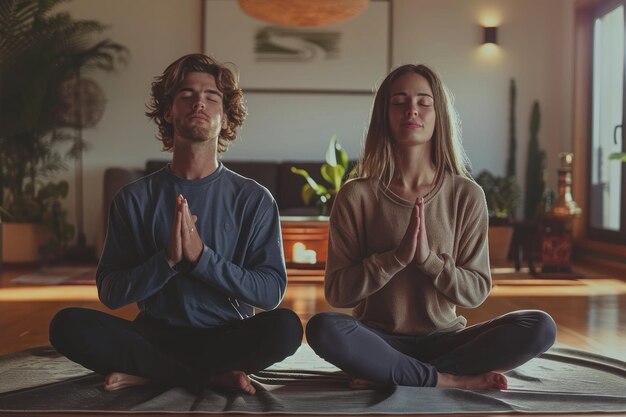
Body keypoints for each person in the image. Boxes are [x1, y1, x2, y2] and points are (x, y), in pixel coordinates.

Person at [49, 54, 303, 395]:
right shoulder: (133, 198)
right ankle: (206, 377)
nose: (199, 102)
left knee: (286, 327)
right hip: (154, 337)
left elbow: (270, 293)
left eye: (212, 97)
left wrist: (201, 259)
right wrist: (167, 260)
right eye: (186, 94)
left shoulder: (254, 199)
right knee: (66, 325)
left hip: (227, 337)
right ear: (168, 112)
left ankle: (154, 376)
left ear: (225, 116)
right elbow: (110, 292)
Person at [306, 64, 556, 390]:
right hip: (377, 338)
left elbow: (476, 290)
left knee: (539, 326)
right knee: (323, 327)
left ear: (439, 115)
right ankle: (446, 379)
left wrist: (429, 261)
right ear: (385, 114)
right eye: (399, 101)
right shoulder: (356, 196)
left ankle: (394, 374)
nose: (412, 109)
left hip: (446, 339)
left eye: (424, 102)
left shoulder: (466, 194)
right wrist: (394, 259)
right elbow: (338, 293)